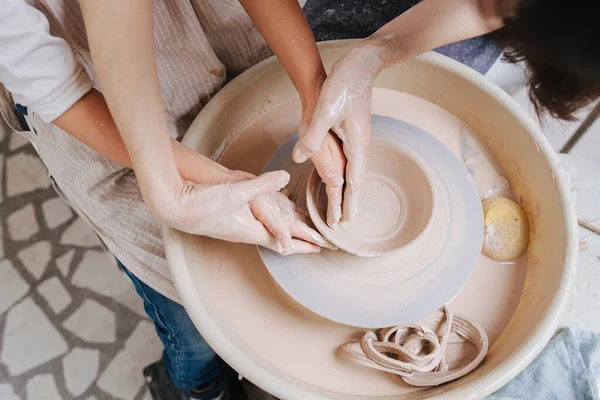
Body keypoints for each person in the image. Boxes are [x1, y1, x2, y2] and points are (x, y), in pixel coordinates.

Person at [1, 0, 597, 399]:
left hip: (212, 18)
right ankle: (195, 388)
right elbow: (56, 87)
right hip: (73, 79)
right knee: (189, 317)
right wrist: (171, 187)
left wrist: (342, 70)